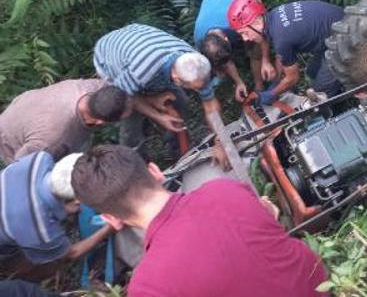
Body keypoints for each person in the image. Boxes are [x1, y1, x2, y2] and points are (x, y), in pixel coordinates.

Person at [72, 145, 329, 297]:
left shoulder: (147, 286)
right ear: (155, 171)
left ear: (111, 219)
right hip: (322, 287)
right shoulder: (225, 190)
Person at [93, 23, 230, 167]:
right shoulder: (142, 70)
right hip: (109, 56)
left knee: (181, 102)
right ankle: (137, 167)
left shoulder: (195, 63)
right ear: (177, 79)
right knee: (131, 123)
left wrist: (221, 142)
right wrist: (158, 115)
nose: (199, 90)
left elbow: (210, 106)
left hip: (143, 44)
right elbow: (124, 96)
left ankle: (180, 154)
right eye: (194, 88)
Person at [0, 151, 113, 282]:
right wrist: (109, 229)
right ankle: (22, 279)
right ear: (77, 202)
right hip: (8, 241)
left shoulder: (39, 160)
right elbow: (70, 254)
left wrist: (63, 209)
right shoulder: (39, 229)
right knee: (51, 264)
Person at [237, 0, 345, 105]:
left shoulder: (281, 38)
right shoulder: (273, 17)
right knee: (312, 71)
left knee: (320, 94)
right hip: (335, 31)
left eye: (245, 32)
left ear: (257, 23)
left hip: (344, 40)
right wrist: (278, 81)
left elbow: (293, 78)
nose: (245, 38)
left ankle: (337, 108)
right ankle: (338, 89)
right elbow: (282, 57)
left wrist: (272, 94)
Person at [0, 80, 130, 164]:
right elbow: (21, 168)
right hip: (10, 141)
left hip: (28, 107)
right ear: (100, 122)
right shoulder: (55, 138)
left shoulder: (96, 88)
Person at [194, 0, 276, 101]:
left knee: (255, 47)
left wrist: (265, 60)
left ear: (227, 39)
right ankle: (253, 87)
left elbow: (261, 30)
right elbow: (222, 58)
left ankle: (260, 87)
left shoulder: (237, 18)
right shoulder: (199, 37)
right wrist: (239, 82)